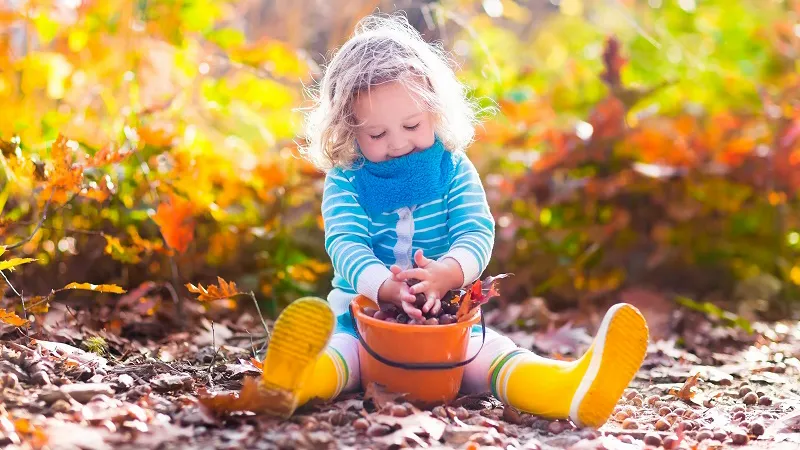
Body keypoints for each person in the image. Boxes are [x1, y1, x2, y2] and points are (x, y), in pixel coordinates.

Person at [259, 13, 649, 428]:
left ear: (435, 111)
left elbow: (475, 230)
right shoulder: (347, 179)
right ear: (348, 130)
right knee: (343, 356)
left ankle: (567, 388)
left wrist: (447, 272)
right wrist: (385, 286)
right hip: (363, 321)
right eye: (377, 135)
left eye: (412, 125)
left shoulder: (453, 169)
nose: (398, 143)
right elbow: (345, 244)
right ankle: (293, 383)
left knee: (488, 355)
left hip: (445, 323)